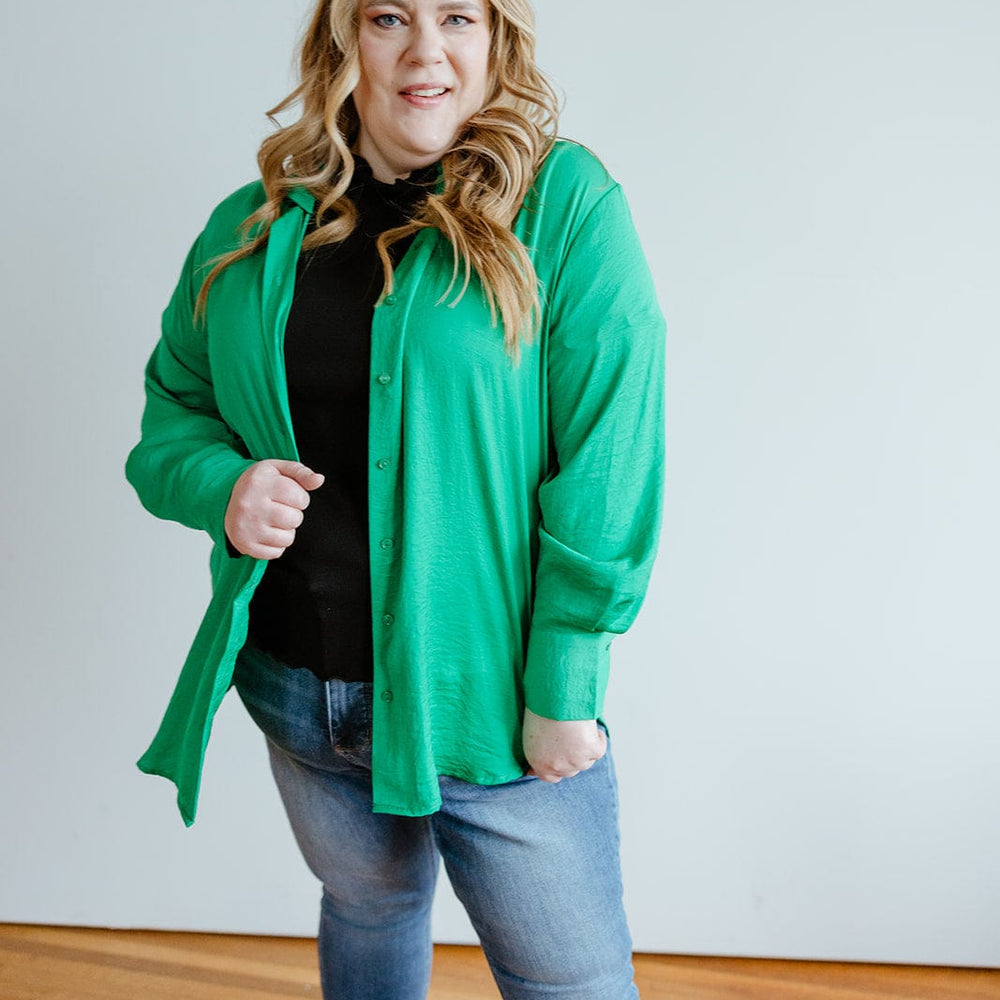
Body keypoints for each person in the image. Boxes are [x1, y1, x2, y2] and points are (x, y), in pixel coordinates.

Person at [126, 0, 665, 997]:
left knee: (570, 982)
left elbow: (607, 463)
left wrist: (566, 686)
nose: (426, 50)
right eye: (388, 17)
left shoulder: (565, 204)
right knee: (370, 909)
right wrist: (221, 485)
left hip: (494, 707)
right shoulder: (249, 230)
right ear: (343, 38)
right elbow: (172, 416)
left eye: (458, 16)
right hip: (301, 694)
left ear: (496, 37)